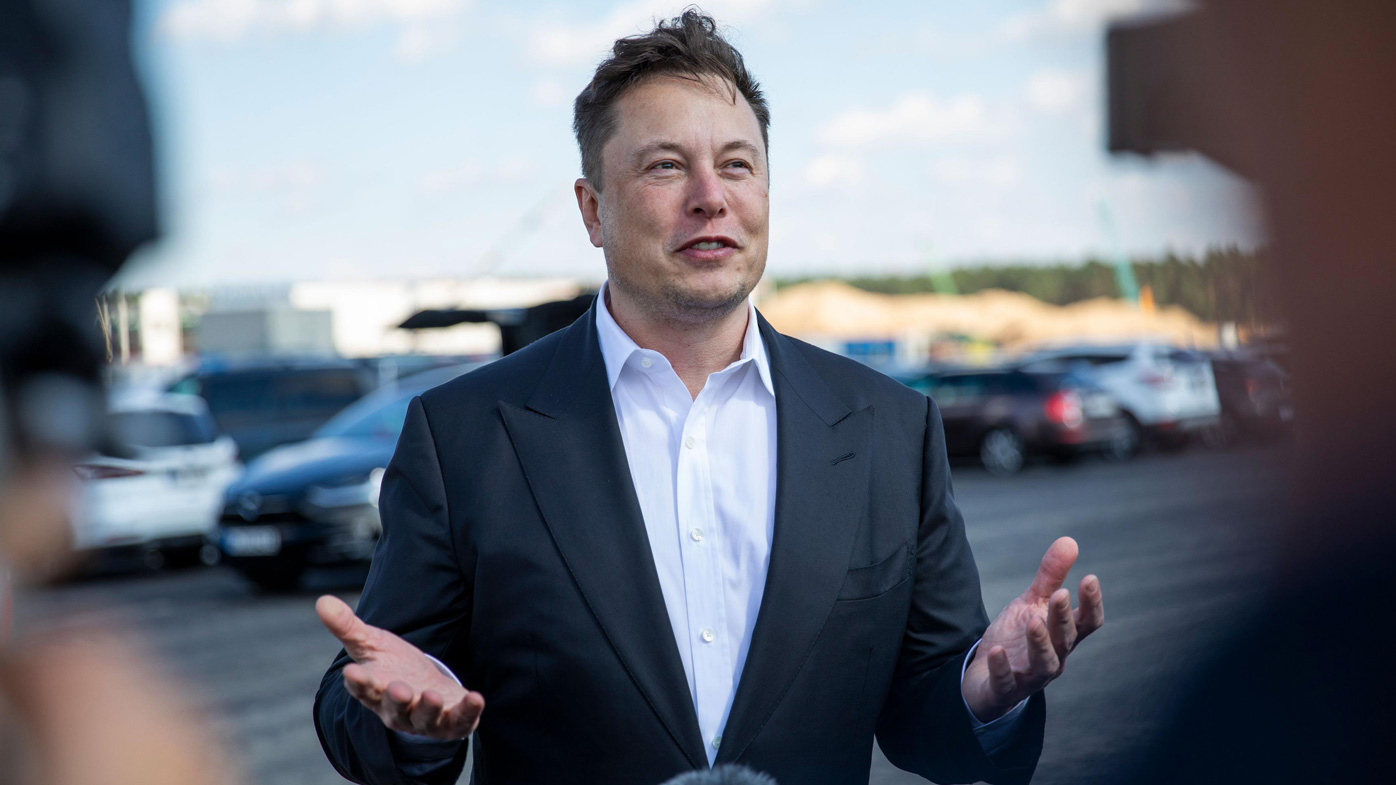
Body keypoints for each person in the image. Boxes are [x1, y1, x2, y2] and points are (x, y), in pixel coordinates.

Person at [313, 11, 1104, 785]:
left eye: (736, 164)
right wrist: (401, 721)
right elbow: (377, 696)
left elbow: (926, 712)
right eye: (664, 165)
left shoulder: (889, 430)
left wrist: (985, 689)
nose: (709, 196)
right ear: (593, 209)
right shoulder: (466, 437)